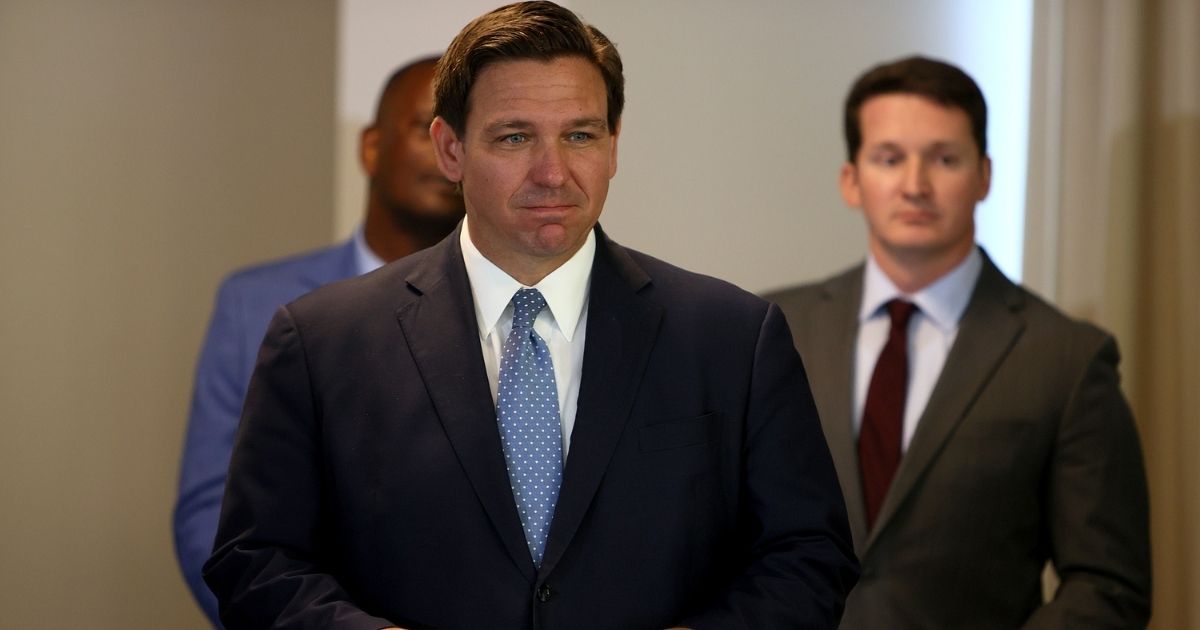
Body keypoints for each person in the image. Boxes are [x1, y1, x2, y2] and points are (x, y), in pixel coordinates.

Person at [202, 2, 858, 628]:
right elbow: (255, 564)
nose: (553, 172)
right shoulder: (322, 341)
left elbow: (808, 559)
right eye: (515, 137)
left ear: (614, 144)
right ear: (450, 149)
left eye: (580, 135)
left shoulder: (734, 338)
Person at [764, 55, 1151, 628]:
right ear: (852, 180)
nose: (916, 185)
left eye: (945, 159)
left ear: (985, 175)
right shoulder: (771, 331)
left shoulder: (1068, 359)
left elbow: (1108, 586)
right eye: (889, 158)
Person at [173, 55, 464, 626]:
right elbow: (212, 513)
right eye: (422, 127)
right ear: (371, 147)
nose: (443, 153)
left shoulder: (509, 308)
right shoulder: (255, 304)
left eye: (459, 135)